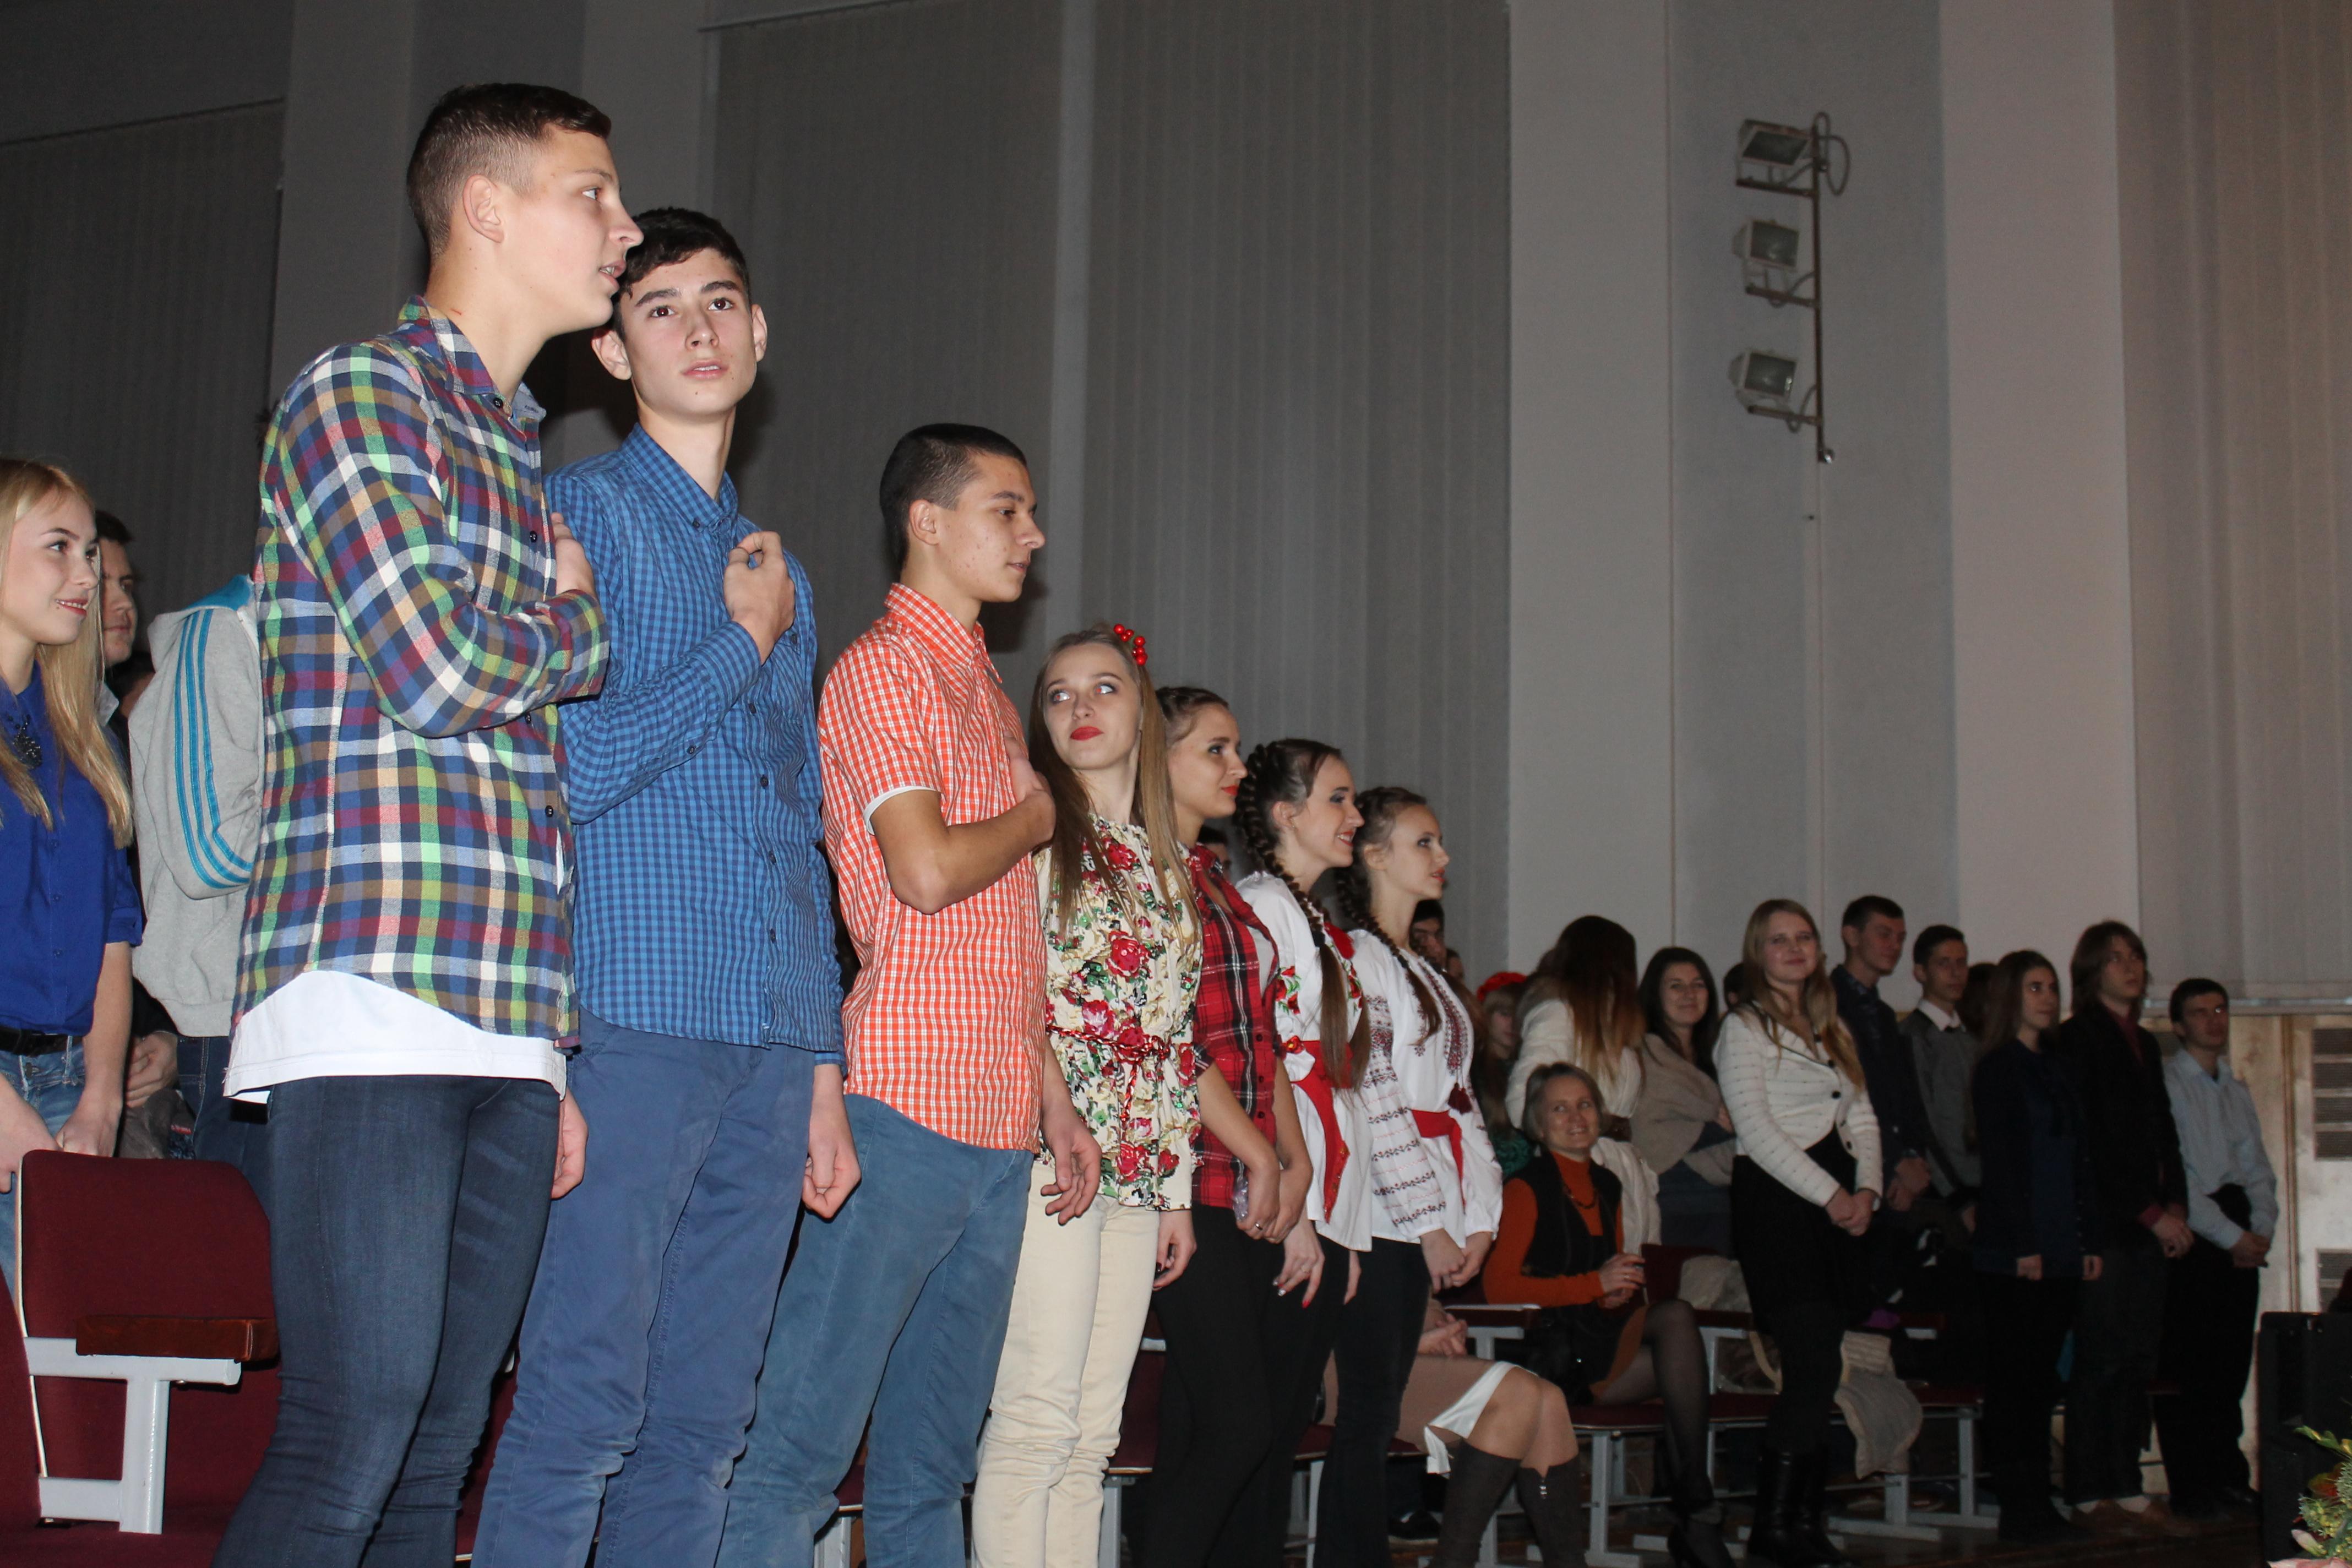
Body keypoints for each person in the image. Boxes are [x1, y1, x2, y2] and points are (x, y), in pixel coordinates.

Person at [213, 84, 633, 1565]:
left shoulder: (512, 446)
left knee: (441, 1446)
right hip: (376, 978)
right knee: (356, 1426)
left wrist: (549, 1047)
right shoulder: (364, 393)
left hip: (505, 1011)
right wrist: (579, 627)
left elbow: (518, 768)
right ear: (487, 209)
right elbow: (436, 664)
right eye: (594, 194)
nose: (623, 229)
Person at [471, 208, 853, 1568]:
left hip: (768, 1037)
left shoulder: (780, 568)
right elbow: (563, 768)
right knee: (583, 1397)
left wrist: (821, 1063)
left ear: (760, 332)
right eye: (661, 306)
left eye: (722, 300)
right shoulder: (573, 516)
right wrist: (738, 646)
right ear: (611, 349)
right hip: (630, 1011)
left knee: (705, 1420)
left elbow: (797, 820)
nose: (698, 328)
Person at [720, 425, 1099, 1568]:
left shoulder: (977, 680)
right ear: (927, 521)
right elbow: (926, 872)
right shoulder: (886, 668)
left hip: (994, 1120)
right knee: (796, 1453)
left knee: (932, 1467)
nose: (1033, 534)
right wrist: (1036, 816)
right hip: (904, 1104)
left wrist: (1053, 1098)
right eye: (1006, 509)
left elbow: (1003, 940)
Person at [971, 627, 1203, 1564]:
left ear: (1142, 712)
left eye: (1104, 688)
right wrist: (1056, 1110)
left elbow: (1175, 1038)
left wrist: (1175, 1190)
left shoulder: (1165, 858)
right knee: (1037, 1416)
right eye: (1059, 693)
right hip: (1053, 1150)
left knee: (1093, 1435)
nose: (1080, 707)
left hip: (1138, 1164)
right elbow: (1011, 994)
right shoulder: (1034, 830)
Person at [1233, 738, 1451, 1568]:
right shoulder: (1262, 903)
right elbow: (1263, 1061)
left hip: (1328, 1203)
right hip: (1290, 1199)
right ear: (1286, 815)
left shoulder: (1318, 925)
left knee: (1288, 1420)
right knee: (1259, 1424)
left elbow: (1352, 1087)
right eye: (1339, 799)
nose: (1354, 816)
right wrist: (1303, 1212)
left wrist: (1349, 1228)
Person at [1143, 685, 1314, 1568]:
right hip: (1189, 1173)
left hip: (1242, 1173)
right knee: (1239, 1424)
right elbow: (1175, 1039)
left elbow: (1263, 1037)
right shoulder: (1144, 872)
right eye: (1215, 748)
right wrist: (1262, 1157)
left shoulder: (1211, 873)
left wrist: (1295, 1163)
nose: (1238, 767)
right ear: (1158, 756)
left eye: (1236, 747)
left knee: (1203, 1425)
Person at [1333, 786, 1506, 1558]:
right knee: (1370, 1411)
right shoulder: (1358, 957)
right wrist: (1429, 1222)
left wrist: (1480, 1217)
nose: (1443, 857)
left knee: (1381, 1410)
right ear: (1373, 855)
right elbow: (1376, 1100)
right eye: (1424, 842)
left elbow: (1461, 1102)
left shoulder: (1418, 965)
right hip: (1381, 1212)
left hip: (1423, 1206)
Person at [1490, 1063, 1732, 1568]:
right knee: (1677, 1328)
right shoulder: (1525, 1188)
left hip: (1597, 1333)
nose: (1576, 1117)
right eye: (1560, 1109)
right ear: (1538, 1124)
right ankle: (1696, 1510)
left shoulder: (1607, 1183)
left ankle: (1695, 1508)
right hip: (1554, 1351)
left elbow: (1604, 1278)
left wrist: (1611, 1293)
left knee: (1679, 1330)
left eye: (1585, 1105)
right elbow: (1500, 1287)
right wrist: (1593, 1286)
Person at [0, 460, 138, 1291]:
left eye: (91, 553)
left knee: (68, 1344)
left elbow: (114, 928)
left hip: (70, 1083)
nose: (86, 575)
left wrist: (102, 1099)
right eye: (60, 547)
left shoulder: (84, 736)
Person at [1717, 898, 1881, 1568]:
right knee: (1809, 1361)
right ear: (1758, 952)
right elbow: (1755, 1130)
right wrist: (1833, 1194)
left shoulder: (1830, 1025)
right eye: (1779, 939)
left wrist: (1868, 1189)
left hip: (1835, 1203)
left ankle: (1805, 1522)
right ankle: (1773, 1527)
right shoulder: (1742, 1027)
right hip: (1781, 1206)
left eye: (1804, 938)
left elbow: (1862, 1113)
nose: (1793, 949)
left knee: (1824, 1367)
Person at [126, 576, 268, 1187]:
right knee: (250, 1237)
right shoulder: (224, 630)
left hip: (307, 1009)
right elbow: (210, 855)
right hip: (236, 1017)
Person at [2049, 921, 2190, 1535]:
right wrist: (2152, 1214)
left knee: (2136, 1357)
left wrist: (2176, 1203)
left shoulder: (2147, 1043)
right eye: (2116, 958)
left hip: (2150, 1220)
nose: (2130, 967)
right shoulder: (2077, 1037)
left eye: (2136, 956)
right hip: (2108, 1222)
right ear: (2091, 970)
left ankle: (2125, 1483)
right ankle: (2087, 1491)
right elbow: (2096, 1144)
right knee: (2102, 1357)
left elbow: (2163, 1131)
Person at [1971, 950, 2105, 1543]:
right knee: (2016, 1379)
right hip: (2017, 1247)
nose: (2048, 998)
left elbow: (2080, 1159)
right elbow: (2003, 1164)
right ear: (2011, 996)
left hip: (2061, 1241)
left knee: (2045, 1376)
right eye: (2034, 987)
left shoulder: (2059, 1067)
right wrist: (2023, 1243)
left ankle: (2039, 1498)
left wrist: (2088, 1237)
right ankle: (2019, 1502)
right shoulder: (1999, 1068)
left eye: (2051, 987)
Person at [2154, 977, 2276, 1521]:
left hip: (2238, 1229)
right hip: (2198, 1232)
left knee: (2230, 1366)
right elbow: (2180, 1176)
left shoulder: (2235, 1088)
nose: (2213, 1021)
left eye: (2220, 1010)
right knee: (2191, 1364)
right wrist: (2230, 1236)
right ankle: (2193, 1484)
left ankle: (2229, 1478)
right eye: (2200, 1012)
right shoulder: (2169, 1085)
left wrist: (2260, 1231)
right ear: (2179, 1025)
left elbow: (2258, 1169)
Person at [1831, 897, 1936, 1218]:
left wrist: (1913, 1158)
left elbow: (1903, 1096)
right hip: (1849, 1168)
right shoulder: (1825, 1005)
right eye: (1884, 934)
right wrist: (1895, 1163)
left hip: (1892, 1167)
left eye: (1901, 938)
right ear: (1852, 936)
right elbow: (1844, 1097)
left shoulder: (1884, 1015)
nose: (1895, 946)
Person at [1632, 948, 1734, 1254]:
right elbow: (1649, 1128)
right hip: (1670, 1197)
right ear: (1655, 995)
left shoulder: (1723, 1055)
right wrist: (1720, 1127)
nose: (1689, 994)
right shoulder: (1643, 1056)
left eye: (1698, 985)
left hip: (1723, 1198)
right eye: (1676, 986)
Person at [1507, 916, 1646, 1134]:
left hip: (1610, 1153)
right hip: (1578, 1151)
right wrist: (1569, 1141)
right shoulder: (1559, 1015)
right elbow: (1524, 1099)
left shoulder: (1616, 1028)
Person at [1899, 925, 1979, 1202]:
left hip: (1978, 1180)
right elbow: (1924, 1124)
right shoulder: (1913, 1037)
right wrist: (1955, 1196)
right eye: (1944, 964)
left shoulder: (1969, 1038)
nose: (1956, 973)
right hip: (1945, 1190)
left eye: (1961, 963)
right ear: (1921, 972)